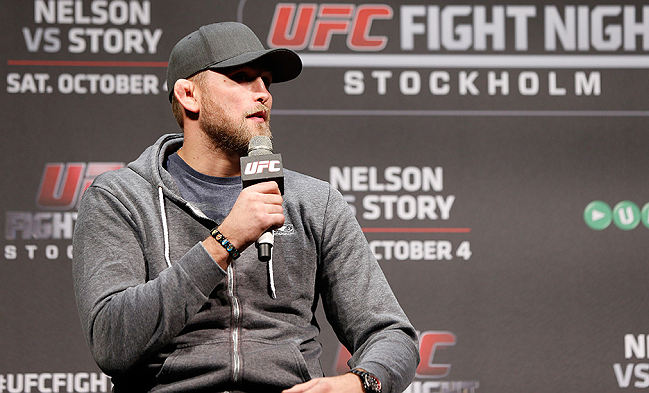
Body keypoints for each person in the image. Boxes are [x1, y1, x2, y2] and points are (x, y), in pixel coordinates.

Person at [72, 22, 419, 393]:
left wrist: (358, 385)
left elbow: (391, 335)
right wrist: (225, 240)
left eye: (266, 82)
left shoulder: (313, 201)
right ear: (190, 96)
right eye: (241, 78)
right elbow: (112, 340)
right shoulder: (120, 197)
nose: (263, 94)